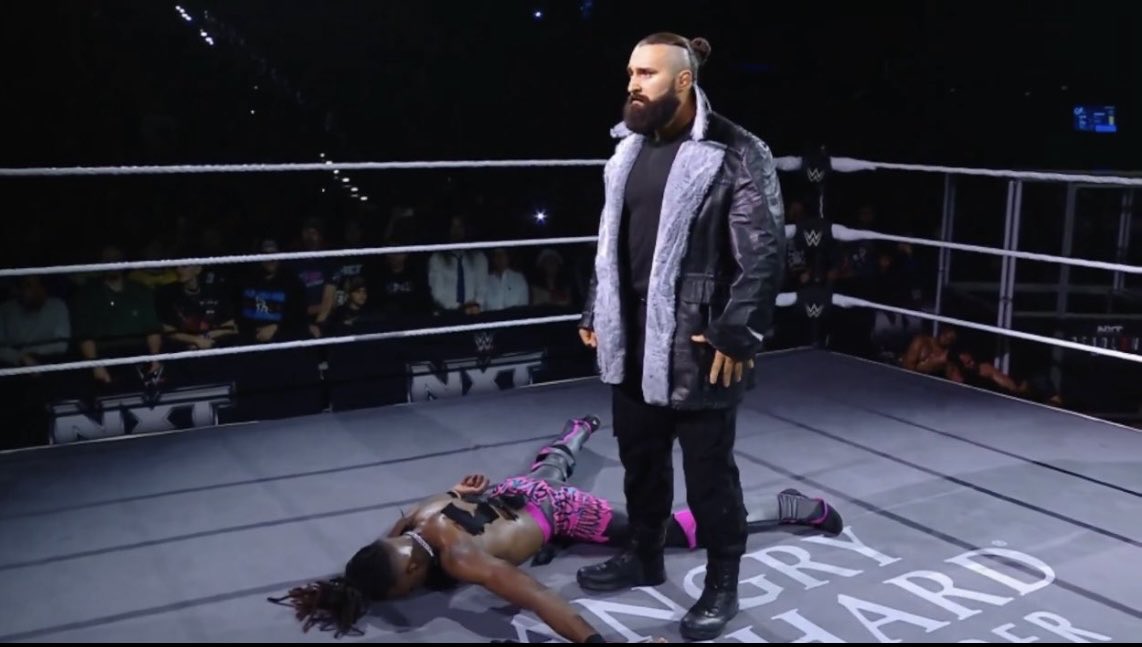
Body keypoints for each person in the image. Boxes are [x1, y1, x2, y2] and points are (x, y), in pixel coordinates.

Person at [269, 415, 843, 642]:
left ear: (414, 566)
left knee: (663, 532)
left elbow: (537, 597)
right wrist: (460, 493)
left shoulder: (460, 558)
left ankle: (789, 507)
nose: (410, 592)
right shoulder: (409, 523)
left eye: (405, 587)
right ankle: (575, 430)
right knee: (545, 471)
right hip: (514, 495)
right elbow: (403, 536)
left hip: (556, 511)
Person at [576, 33, 788, 640]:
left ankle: (722, 583)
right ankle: (644, 554)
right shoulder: (628, 150)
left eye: (647, 73)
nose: (633, 84)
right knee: (639, 458)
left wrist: (736, 332)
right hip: (632, 335)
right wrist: (596, 307)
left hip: (699, 341)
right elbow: (611, 243)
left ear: (683, 81)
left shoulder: (736, 149)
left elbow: (763, 250)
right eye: (630, 72)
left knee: (708, 472)